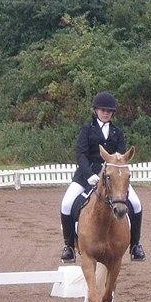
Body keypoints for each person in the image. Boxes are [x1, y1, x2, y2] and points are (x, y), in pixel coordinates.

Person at [59, 91, 146, 263]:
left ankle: (135, 246)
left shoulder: (117, 132)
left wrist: (116, 173)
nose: (106, 113)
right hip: (87, 175)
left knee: (136, 204)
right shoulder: (86, 130)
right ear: (96, 110)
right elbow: (81, 155)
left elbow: (120, 157)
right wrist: (89, 174)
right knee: (66, 203)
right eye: (102, 110)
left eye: (109, 110)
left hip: (112, 178)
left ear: (112, 113)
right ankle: (69, 246)